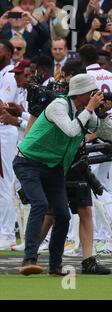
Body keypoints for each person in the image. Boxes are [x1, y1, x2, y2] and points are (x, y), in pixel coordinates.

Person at [12, 74, 108, 276]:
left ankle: (55, 266)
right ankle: (29, 258)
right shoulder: (59, 105)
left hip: (54, 167)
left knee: (63, 215)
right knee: (40, 204)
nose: (94, 96)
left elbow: (104, 132)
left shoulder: (84, 110)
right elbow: (72, 131)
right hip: (29, 162)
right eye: (91, 93)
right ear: (80, 94)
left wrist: (103, 113)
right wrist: (90, 109)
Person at [79, 44, 112, 255]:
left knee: (93, 188)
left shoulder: (83, 79)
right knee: (106, 186)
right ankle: (110, 235)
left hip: (88, 135)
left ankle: (109, 236)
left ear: (82, 60)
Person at [0, 39, 18, 251]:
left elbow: (2, 106)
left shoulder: (10, 74)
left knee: (6, 182)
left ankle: (7, 233)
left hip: (6, 131)